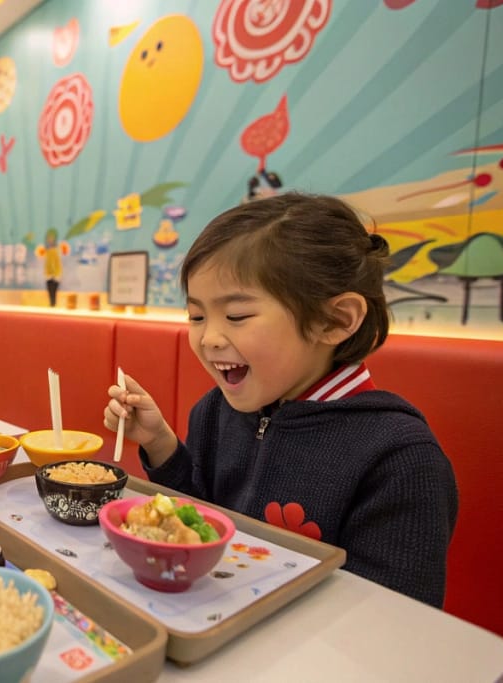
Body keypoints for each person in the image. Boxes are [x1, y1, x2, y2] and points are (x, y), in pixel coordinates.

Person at [103, 193, 458, 607]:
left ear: (335, 320)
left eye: (236, 316)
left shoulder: (399, 457)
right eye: (197, 316)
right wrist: (160, 442)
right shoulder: (215, 410)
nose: (209, 337)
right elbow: (197, 519)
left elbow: (398, 618)